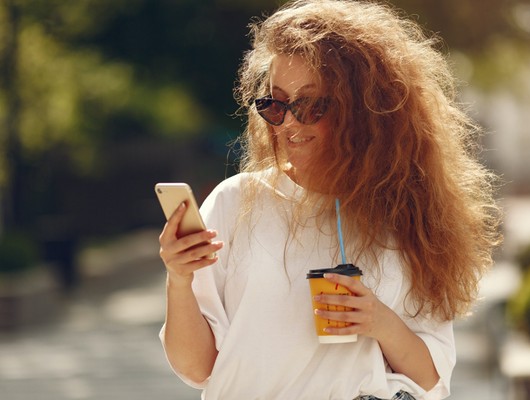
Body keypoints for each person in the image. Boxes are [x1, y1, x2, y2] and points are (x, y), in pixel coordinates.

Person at [158, 0, 501, 399]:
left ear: (366, 110)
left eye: (311, 104)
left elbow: (431, 379)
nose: (288, 123)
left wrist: (380, 321)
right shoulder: (235, 202)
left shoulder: (405, 214)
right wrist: (179, 280)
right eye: (276, 104)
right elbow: (197, 368)